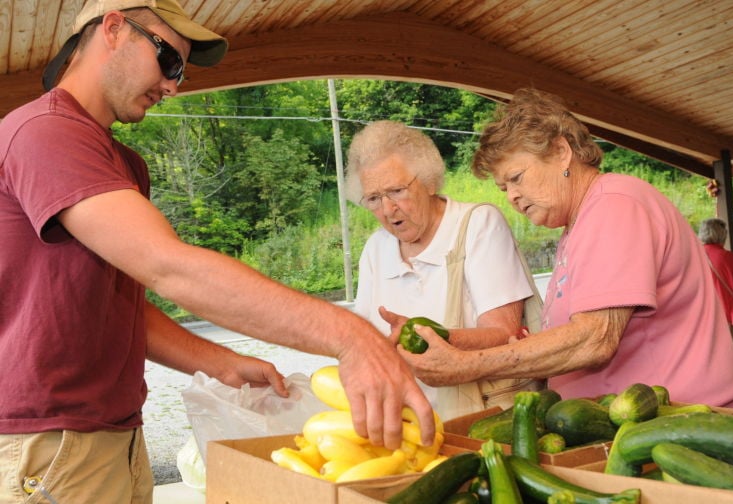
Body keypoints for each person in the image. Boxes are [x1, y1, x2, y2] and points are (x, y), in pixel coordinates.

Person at [0, 1, 433, 502]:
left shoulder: (122, 162)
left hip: (114, 433)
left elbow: (119, 306)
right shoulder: (44, 132)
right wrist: (353, 337)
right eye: (169, 61)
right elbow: (168, 266)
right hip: (51, 438)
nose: (173, 84)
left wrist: (220, 362)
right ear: (114, 29)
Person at [398, 87, 733, 420]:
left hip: (685, 433)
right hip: (642, 430)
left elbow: (594, 338)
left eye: (517, 177)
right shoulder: (582, 221)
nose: (511, 196)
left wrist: (468, 365)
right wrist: (446, 341)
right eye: (503, 187)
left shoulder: (615, 205)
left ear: (560, 152)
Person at [344, 120, 543, 420]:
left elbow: (504, 333)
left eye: (397, 191)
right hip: (406, 421)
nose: (387, 210)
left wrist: (427, 336)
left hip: (482, 419)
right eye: (373, 198)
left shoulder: (478, 224)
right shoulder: (376, 248)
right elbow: (364, 341)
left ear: (429, 181)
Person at [699, 217, 733, 369]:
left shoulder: (695, 257)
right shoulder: (728, 258)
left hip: (702, 319)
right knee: (731, 366)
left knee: (709, 365)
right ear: (722, 235)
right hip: (728, 317)